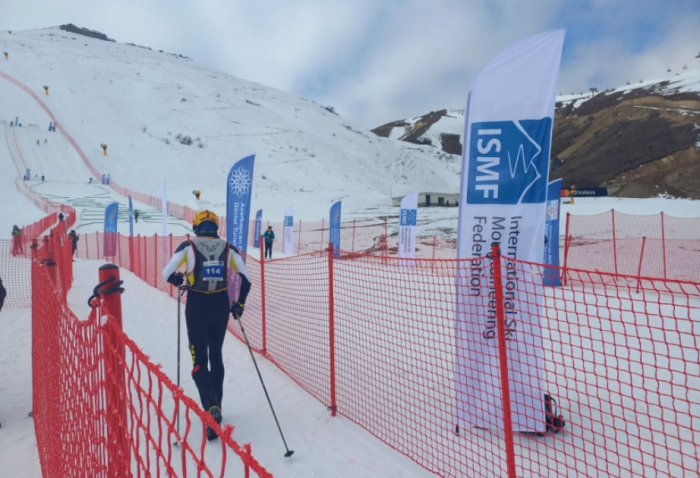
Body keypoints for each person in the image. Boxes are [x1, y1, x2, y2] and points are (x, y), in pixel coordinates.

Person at [162, 210, 252, 441]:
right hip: (220, 304)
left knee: (198, 361)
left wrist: (178, 279)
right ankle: (217, 408)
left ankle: (211, 407)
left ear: (196, 227)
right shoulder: (229, 248)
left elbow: (167, 273)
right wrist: (239, 304)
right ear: (216, 227)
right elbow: (247, 278)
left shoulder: (187, 246)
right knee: (216, 356)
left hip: (197, 305)